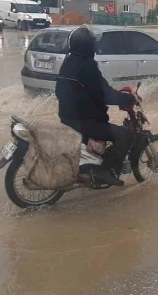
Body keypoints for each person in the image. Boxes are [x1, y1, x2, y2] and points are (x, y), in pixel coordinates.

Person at [56, 26, 137, 186]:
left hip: (68, 117)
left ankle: (91, 167)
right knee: (125, 135)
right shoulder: (87, 67)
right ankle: (106, 171)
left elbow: (93, 92)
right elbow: (105, 94)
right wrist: (127, 99)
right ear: (87, 47)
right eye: (92, 44)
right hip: (84, 122)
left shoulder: (69, 61)